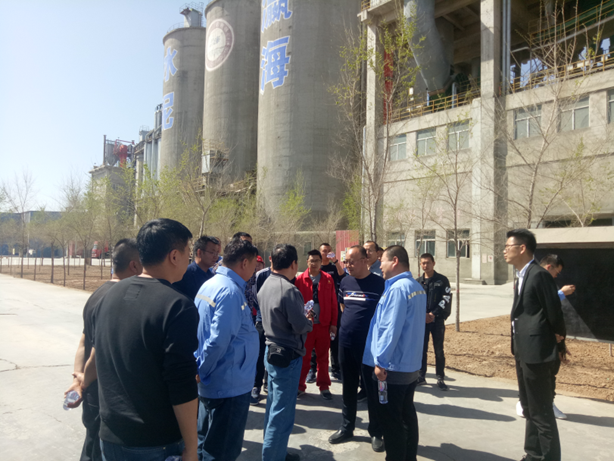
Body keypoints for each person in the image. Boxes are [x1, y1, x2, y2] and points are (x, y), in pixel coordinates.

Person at [92, 219, 199, 461]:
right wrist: (192, 447)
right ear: (174, 256)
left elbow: (98, 353)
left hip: (110, 434)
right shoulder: (177, 306)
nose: (189, 260)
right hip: (154, 442)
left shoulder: (109, 294)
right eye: (188, 253)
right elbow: (181, 383)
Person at [64, 238, 142, 461]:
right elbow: (97, 354)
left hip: (92, 392)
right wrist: (85, 381)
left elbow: (83, 342)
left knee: (91, 446)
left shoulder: (97, 294)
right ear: (134, 265)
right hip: (104, 392)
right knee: (99, 450)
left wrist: (77, 380)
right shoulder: (120, 299)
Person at [195, 238, 260, 461]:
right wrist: (202, 371)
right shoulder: (230, 292)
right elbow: (218, 341)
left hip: (214, 382)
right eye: (254, 265)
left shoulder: (210, 284)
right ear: (244, 262)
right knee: (221, 451)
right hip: (228, 385)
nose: (254, 270)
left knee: (204, 443)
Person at [504, 229, 566, 461]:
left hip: (538, 353)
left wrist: (559, 338)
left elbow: (554, 310)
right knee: (529, 407)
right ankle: (533, 454)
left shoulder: (539, 275)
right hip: (523, 351)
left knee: (541, 412)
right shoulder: (522, 274)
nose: (504, 251)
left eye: (508, 246)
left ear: (522, 248)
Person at [362, 245, 426, 461]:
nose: (380, 265)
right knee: (407, 415)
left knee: (391, 420)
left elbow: (390, 328)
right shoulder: (416, 286)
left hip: (393, 367)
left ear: (395, 261)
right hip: (410, 364)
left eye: (383, 261)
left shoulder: (397, 289)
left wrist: (380, 362)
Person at [258, 244, 314, 461]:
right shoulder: (289, 290)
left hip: (271, 350)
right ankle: (273, 456)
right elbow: (299, 325)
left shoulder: (266, 283)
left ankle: (276, 452)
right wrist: (308, 321)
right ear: (293, 264)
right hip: (287, 356)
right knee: (282, 414)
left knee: (273, 408)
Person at [328, 245, 385, 453]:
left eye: (351, 261)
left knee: (371, 389)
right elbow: (343, 307)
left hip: (369, 346)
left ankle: (376, 431)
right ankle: (347, 427)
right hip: (346, 343)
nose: (348, 265)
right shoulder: (345, 282)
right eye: (346, 261)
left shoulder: (379, 284)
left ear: (364, 260)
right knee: (348, 387)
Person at [515, 254, 574, 421]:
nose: (556, 276)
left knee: (541, 374)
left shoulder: (530, 277)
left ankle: (538, 404)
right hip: (536, 338)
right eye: (557, 272)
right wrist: (561, 293)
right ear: (549, 267)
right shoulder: (538, 278)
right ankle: (535, 404)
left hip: (538, 336)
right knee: (539, 374)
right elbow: (544, 307)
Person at [295, 249, 339, 399]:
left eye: (317, 261)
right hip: (306, 327)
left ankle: (324, 386)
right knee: (304, 357)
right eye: (311, 260)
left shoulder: (328, 279)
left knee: (323, 358)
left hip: (323, 325)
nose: (314, 263)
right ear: (307, 262)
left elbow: (333, 302)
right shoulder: (300, 280)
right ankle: (300, 386)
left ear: (321, 262)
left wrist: (334, 323)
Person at [307, 243, 346, 382]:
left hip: (332, 306)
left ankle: (336, 369)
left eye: (329, 250)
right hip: (316, 311)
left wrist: (336, 261)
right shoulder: (316, 269)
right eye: (324, 251)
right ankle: (312, 370)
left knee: (334, 339)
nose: (327, 253)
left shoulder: (333, 268)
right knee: (313, 342)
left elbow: (343, 277)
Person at [416, 253, 452, 390]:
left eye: (428, 263)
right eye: (423, 263)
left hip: (437, 321)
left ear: (433, 263)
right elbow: (415, 302)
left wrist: (433, 313)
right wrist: (423, 315)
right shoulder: (418, 282)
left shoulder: (442, 280)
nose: (425, 265)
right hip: (422, 321)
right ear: (420, 264)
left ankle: (440, 377)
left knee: (439, 350)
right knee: (422, 349)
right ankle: (421, 376)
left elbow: (446, 298)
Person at [173, 236, 220, 300]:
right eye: (212, 252)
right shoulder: (184, 275)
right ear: (199, 252)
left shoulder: (212, 277)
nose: (216, 257)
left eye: (217, 253)